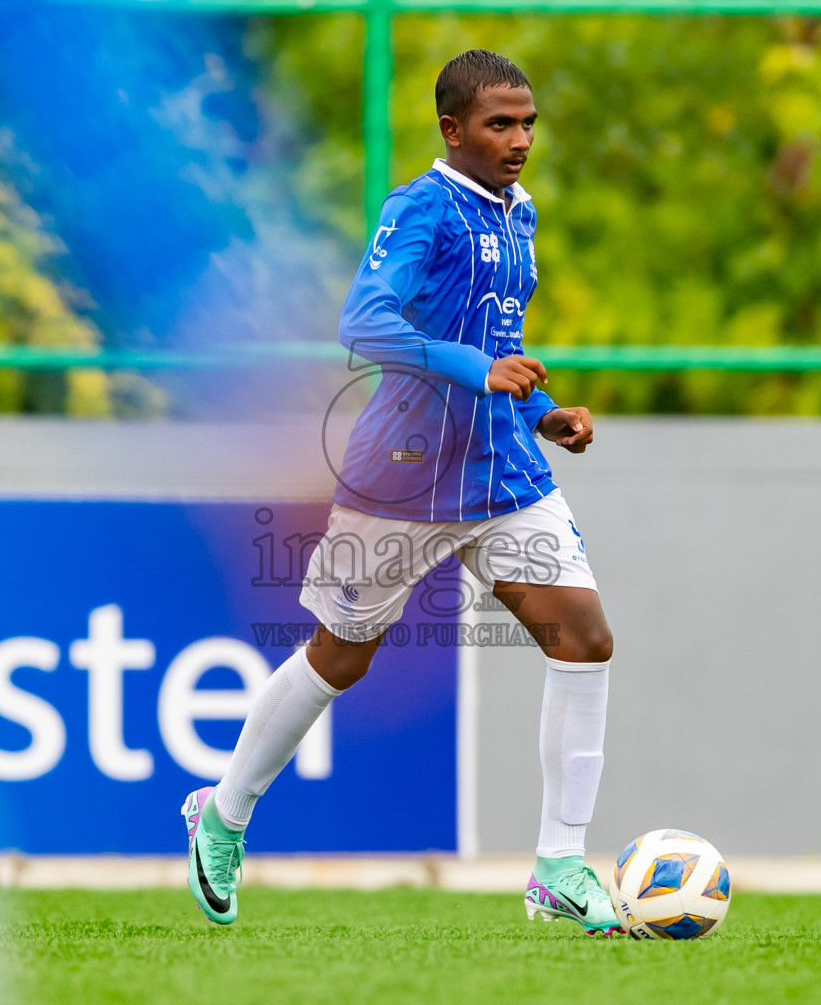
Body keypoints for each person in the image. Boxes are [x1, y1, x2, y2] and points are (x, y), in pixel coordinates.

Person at [181, 49, 620, 937]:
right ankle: (222, 815)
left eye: (529, 121)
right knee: (341, 658)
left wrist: (541, 413)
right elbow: (365, 321)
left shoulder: (518, 214)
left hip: (502, 473)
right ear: (452, 130)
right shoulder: (420, 208)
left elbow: (496, 341)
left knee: (584, 638)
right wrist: (476, 369)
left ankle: (558, 867)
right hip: (404, 477)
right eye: (501, 123)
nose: (521, 139)